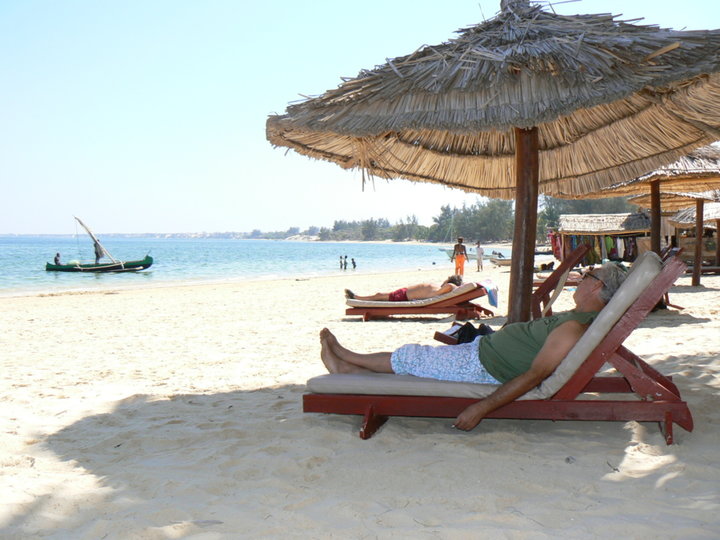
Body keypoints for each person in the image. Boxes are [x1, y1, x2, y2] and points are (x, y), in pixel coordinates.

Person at [322, 262, 627, 431]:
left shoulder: (574, 328)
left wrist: (481, 408)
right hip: (483, 353)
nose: (582, 278)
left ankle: (346, 361)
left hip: (481, 367)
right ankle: (350, 365)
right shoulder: (580, 318)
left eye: (588, 275)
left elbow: (535, 376)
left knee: (413, 357)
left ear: (598, 286)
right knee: (419, 358)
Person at [345, 275, 463, 302]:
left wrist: (455, 284)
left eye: (446, 279)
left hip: (405, 295)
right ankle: (357, 297)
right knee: (380, 295)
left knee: (379, 295)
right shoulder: (441, 289)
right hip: (405, 292)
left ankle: (357, 297)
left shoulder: (445, 288)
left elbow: (451, 286)